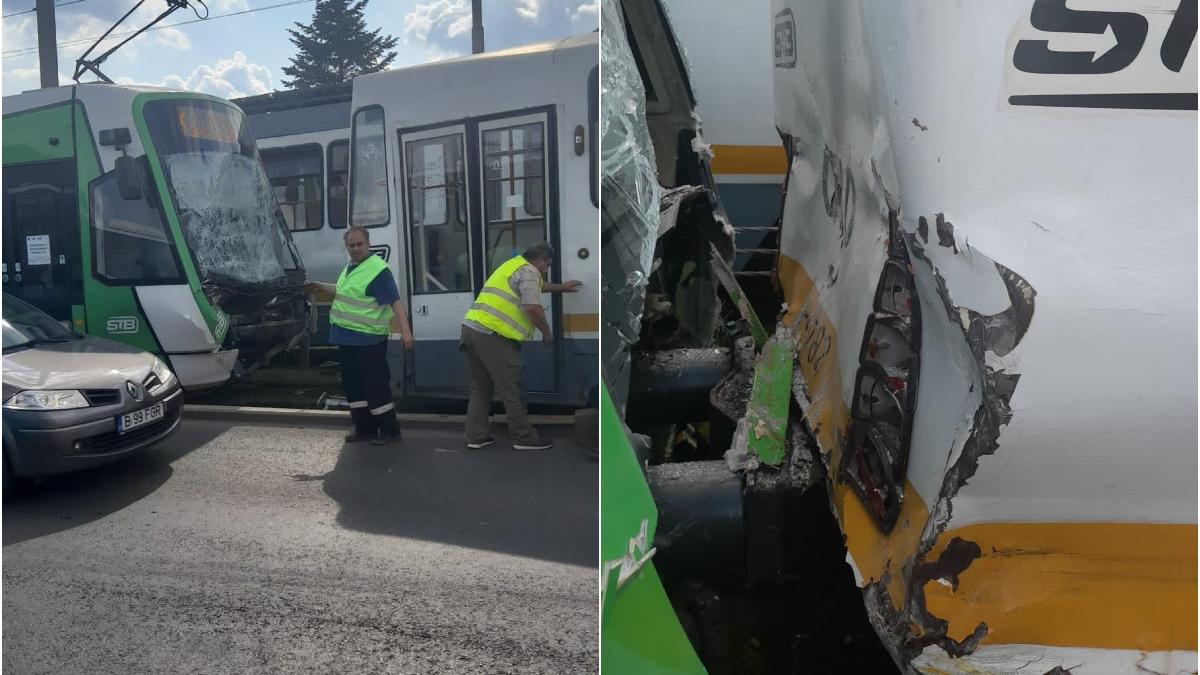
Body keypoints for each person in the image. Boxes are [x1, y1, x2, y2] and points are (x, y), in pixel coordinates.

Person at [461, 241, 581, 450]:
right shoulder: (530, 271)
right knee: (512, 389)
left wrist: (561, 288)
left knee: (480, 389)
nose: (546, 270)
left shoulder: (513, 265)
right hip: (494, 336)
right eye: (548, 265)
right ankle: (524, 437)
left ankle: (476, 437)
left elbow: (537, 287)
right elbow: (532, 307)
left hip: (471, 330)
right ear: (541, 260)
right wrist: (547, 332)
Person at [307, 227, 414, 445]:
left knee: (375, 385)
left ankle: (390, 431)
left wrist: (406, 333)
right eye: (351, 245)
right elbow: (345, 292)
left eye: (360, 244)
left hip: (368, 339)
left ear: (368, 244)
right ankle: (364, 428)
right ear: (347, 247)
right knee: (353, 385)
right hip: (346, 337)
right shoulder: (351, 268)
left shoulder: (377, 270)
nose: (356, 249)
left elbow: (395, 302)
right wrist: (321, 287)